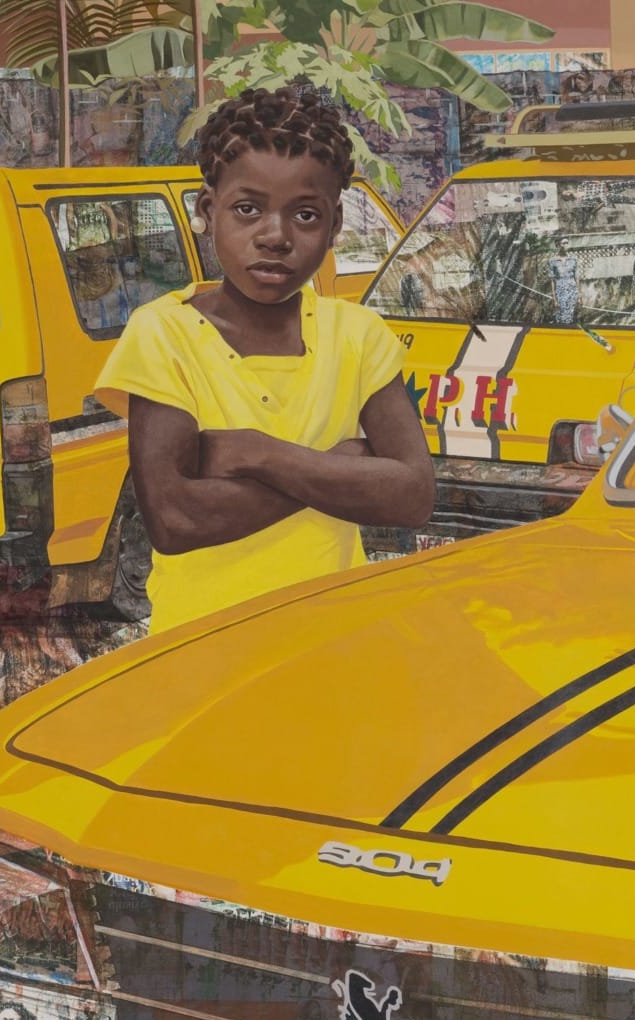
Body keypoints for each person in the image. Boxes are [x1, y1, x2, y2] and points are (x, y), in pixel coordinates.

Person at [95, 85, 434, 635]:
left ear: (335, 226)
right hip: (204, 645)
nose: (275, 236)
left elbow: (413, 495)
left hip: (335, 641)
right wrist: (339, 467)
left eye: (306, 215)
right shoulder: (164, 334)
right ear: (209, 211)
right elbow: (175, 519)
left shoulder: (357, 336)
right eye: (248, 209)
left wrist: (258, 453)